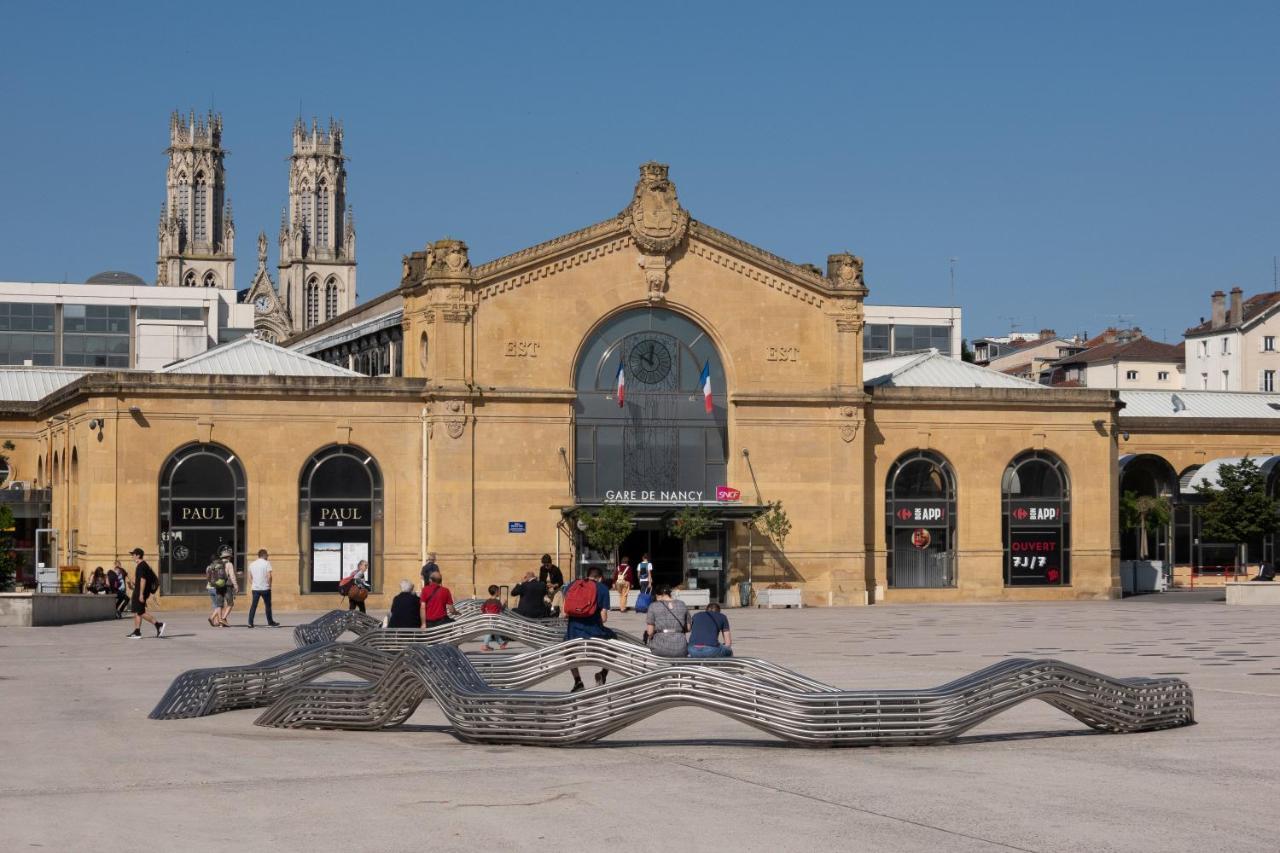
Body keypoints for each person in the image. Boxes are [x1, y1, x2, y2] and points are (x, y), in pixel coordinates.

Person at [564, 567, 613, 691]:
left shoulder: (572, 585)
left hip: (573, 633)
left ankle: (578, 681)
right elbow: (604, 618)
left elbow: (566, 611)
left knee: (567, 649)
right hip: (595, 634)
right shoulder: (602, 589)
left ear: (587, 575)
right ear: (600, 578)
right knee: (616, 642)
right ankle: (603, 673)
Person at [125, 548, 164, 639]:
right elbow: (138, 581)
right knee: (137, 611)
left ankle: (158, 625)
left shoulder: (142, 565)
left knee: (140, 612)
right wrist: (131, 584)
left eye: (133, 555)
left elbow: (143, 580)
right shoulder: (141, 565)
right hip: (138, 591)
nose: (132, 556)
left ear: (138, 555)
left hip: (140, 592)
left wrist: (141, 594)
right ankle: (137, 631)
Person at [644, 585, 690, 658]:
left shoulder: (653, 606)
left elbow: (650, 632)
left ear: (658, 595)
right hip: (680, 647)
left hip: (659, 648)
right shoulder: (682, 604)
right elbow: (688, 628)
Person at [247, 548, 280, 628]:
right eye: (267, 555)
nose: (268, 556)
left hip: (255, 589)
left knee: (253, 606)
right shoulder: (266, 563)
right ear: (264, 555)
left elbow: (249, 577)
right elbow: (269, 576)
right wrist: (269, 584)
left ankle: (250, 623)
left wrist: (254, 584)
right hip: (265, 588)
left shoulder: (252, 564)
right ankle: (270, 622)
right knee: (268, 606)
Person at [479, 584, 508, 651]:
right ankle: (485, 645)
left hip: (488, 618)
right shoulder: (497, 601)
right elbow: (502, 609)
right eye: (499, 591)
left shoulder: (487, 601)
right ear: (496, 592)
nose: (500, 592)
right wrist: (505, 604)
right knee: (489, 632)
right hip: (494, 619)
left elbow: (482, 608)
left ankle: (502, 643)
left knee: (494, 631)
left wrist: (486, 614)